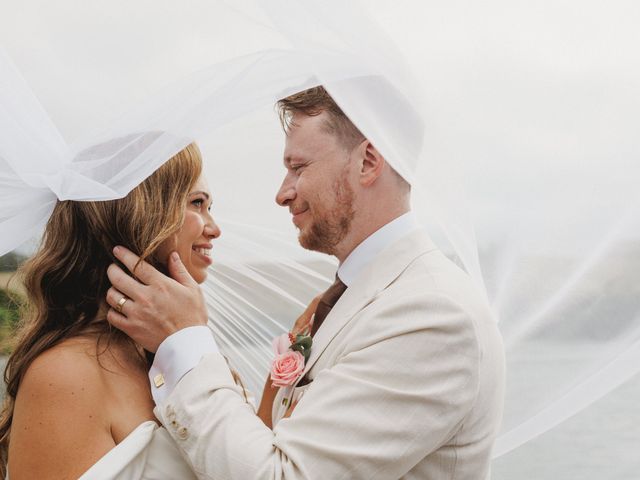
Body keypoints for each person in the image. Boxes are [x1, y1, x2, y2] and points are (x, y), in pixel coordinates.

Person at [107, 87, 506, 479]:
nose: (283, 193)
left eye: (298, 167)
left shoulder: (433, 312)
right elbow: (285, 438)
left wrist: (186, 342)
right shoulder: (352, 299)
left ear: (368, 161)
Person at [0, 143, 219, 479]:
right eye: (197, 203)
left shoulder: (177, 354)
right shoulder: (64, 375)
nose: (214, 227)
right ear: (141, 214)